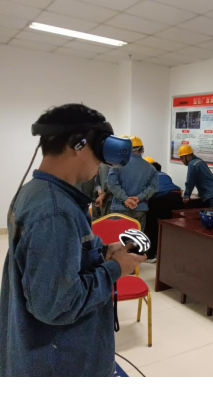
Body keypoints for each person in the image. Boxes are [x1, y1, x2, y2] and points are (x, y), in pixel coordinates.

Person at [0, 104, 146, 377]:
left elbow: (53, 263)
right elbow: (56, 306)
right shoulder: (55, 212)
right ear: (78, 144)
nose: (102, 161)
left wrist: (101, 251)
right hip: (62, 363)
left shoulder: (34, 193)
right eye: (99, 148)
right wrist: (116, 269)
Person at [108, 136, 159, 231]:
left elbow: (112, 184)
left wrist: (125, 199)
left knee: (117, 237)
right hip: (139, 209)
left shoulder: (117, 164)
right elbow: (154, 187)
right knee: (136, 238)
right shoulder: (151, 168)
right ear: (142, 149)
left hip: (119, 209)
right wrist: (139, 198)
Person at [143, 158, 183, 262]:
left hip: (161, 198)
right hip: (176, 197)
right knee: (168, 227)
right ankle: (167, 253)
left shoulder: (147, 176)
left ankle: (151, 255)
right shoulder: (165, 174)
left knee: (152, 226)